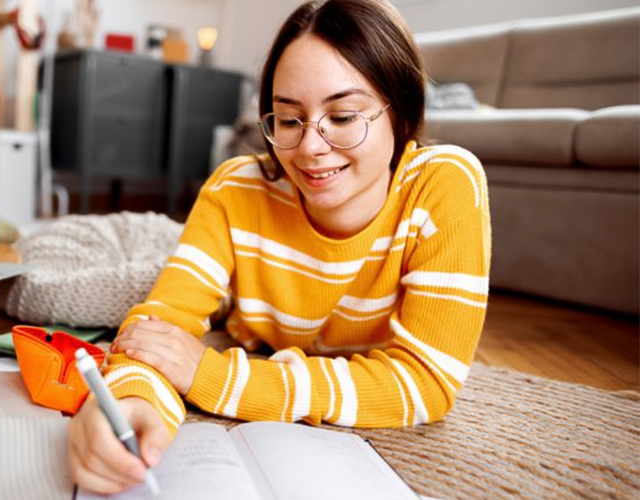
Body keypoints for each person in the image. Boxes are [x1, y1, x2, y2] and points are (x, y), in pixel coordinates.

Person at [68, 0, 491, 494]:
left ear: (400, 113)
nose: (310, 147)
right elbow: (160, 329)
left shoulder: (445, 186)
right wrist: (132, 402)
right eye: (289, 121)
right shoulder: (236, 190)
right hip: (244, 309)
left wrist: (218, 376)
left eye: (343, 116)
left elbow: (425, 383)